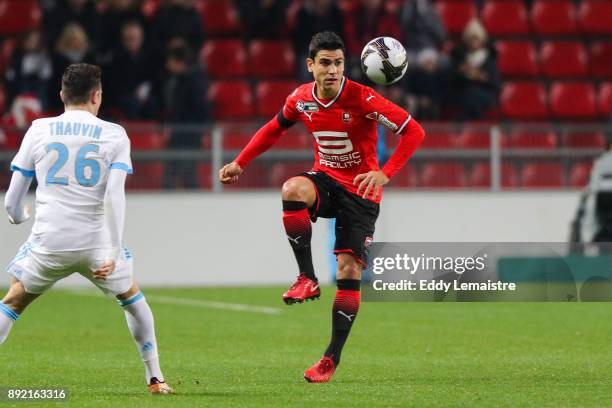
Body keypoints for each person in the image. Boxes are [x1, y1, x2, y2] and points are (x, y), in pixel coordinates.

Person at [219, 32, 425, 383]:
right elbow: (273, 129)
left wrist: (384, 173)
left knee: (348, 270)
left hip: (361, 193)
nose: (333, 70)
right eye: (326, 63)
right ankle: (307, 278)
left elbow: (414, 131)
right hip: (327, 182)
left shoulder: (364, 98)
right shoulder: (301, 99)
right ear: (311, 65)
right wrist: (241, 161)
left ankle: (330, 359)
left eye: (339, 63)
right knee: (293, 188)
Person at [2, 63, 173, 394]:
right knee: (133, 298)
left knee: (13, 300)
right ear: (97, 96)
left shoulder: (38, 129)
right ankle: (155, 377)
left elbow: (12, 202)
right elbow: (114, 196)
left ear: (62, 95)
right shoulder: (114, 134)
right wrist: (113, 248)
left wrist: (19, 216)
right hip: (97, 244)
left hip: (49, 242)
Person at [160, 42, 207, 189]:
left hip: (188, 134)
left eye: (170, 60)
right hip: (180, 133)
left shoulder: (193, 81)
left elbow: (200, 110)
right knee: (176, 172)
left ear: (179, 62)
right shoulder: (178, 79)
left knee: (185, 171)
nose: (167, 64)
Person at [449, 18, 500, 120]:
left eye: (476, 38)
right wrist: (462, 73)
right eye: (471, 38)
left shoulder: (490, 57)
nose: (474, 42)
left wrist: (482, 78)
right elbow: (451, 81)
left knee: (472, 95)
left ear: (482, 39)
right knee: (469, 94)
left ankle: (468, 125)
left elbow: (495, 83)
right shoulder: (458, 56)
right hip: (462, 92)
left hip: (484, 93)